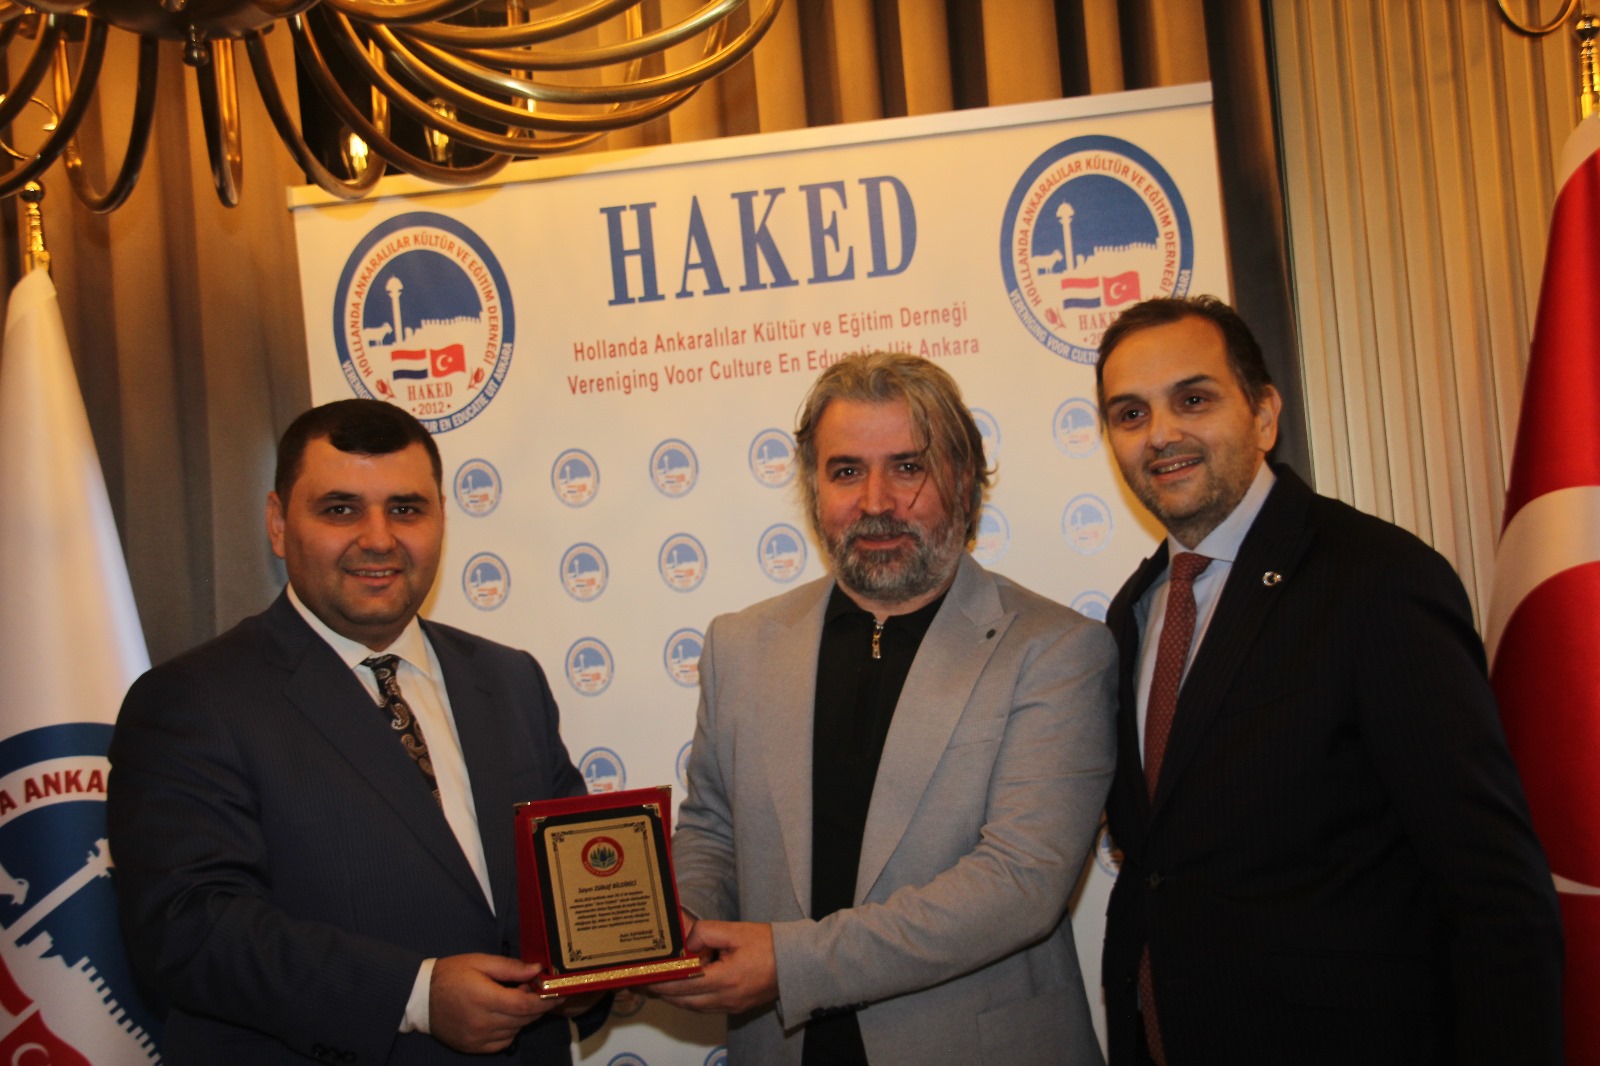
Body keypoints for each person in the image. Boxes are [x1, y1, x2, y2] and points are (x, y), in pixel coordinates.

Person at [1094, 296, 1563, 1065]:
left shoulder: (1379, 580)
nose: (1162, 433)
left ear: (1264, 414)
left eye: (1194, 399)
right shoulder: (1135, 612)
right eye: (1130, 413)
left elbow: (1494, 887)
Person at [108, 399, 602, 1063]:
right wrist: (415, 996)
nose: (378, 538)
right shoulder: (191, 700)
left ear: (441, 519)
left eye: (406, 509)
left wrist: (603, 964)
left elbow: (569, 877)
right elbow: (188, 927)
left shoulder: (509, 679)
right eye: (340, 509)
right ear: (278, 523)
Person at [657, 351, 1117, 1064]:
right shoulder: (739, 646)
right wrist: (678, 926)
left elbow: (1021, 882)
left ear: (964, 481)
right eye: (846, 471)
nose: (875, 501)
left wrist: (791, 963)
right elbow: (713, 830)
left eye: (908, 467)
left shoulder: (1055, 650)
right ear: (813, 489)